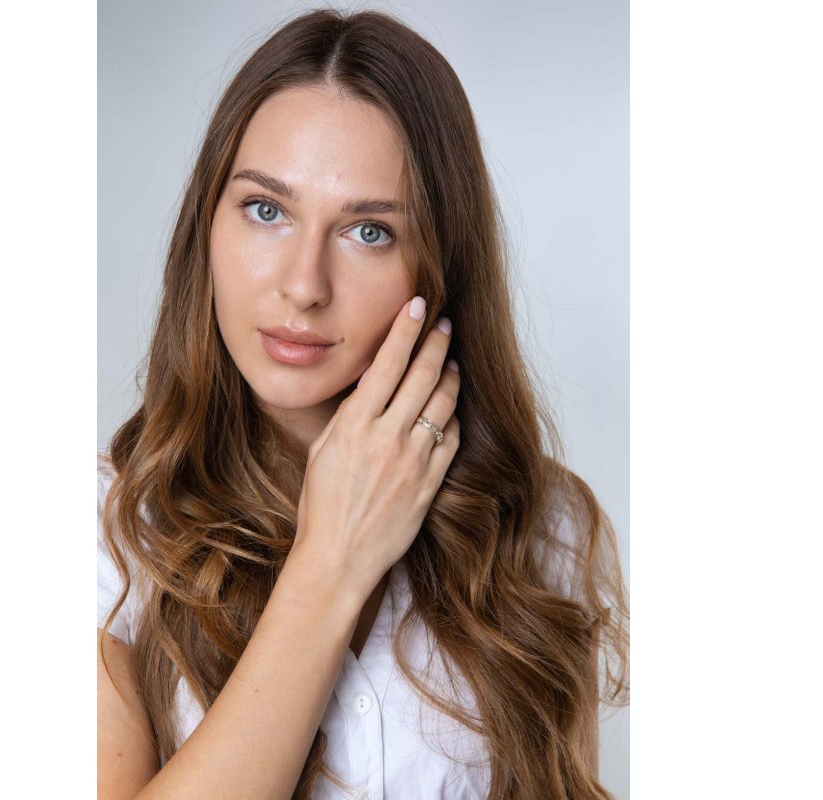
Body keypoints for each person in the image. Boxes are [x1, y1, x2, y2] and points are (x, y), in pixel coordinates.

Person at [97, 8, 629, 800]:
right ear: (205, 227)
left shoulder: (543, 526)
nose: (303, 285)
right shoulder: (108, 532)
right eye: (267, 210)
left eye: (369, 232)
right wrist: (331, 561)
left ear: (439, 265)